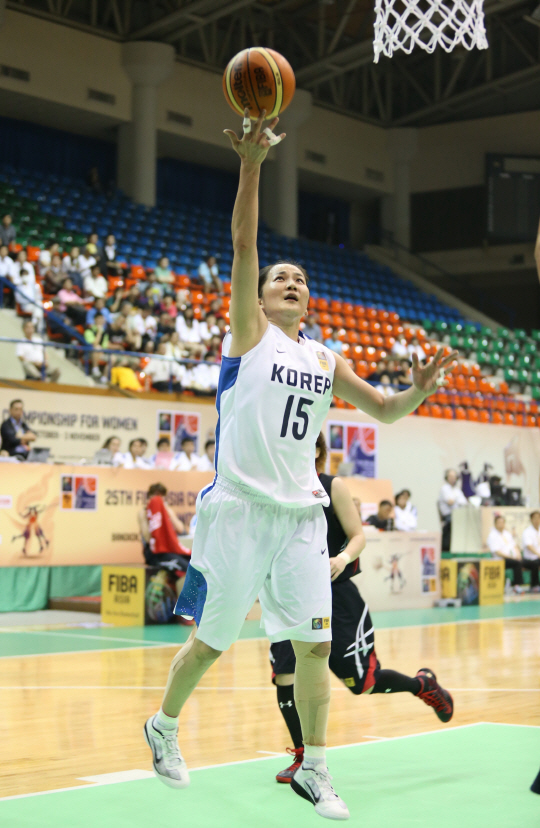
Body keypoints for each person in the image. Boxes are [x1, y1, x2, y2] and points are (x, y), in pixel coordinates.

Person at [142, 108, 457, 820]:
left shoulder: (323, 355)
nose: (289, 280)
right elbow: (244, 239)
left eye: (300, 278)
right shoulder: (248, 334)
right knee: (210, 646)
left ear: (309, 300)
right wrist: (252, 163)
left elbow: (382, 410)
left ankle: (316, 767)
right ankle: (163, 726)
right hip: (239, 511)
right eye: (279, 276)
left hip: (300, 520)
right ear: (256, 298)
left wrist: (419, 390)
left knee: (315, 650)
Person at [272, 433, 453, 784]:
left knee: (363, 683)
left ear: (317, 450)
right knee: (285, 674)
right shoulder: (276, 490)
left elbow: (359, 535)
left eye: (307, 441)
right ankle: (302, 756)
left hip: (336, 597)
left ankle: (422, 685)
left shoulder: (332, 486)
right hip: (290, 596)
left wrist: (342, 557)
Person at [137, 483, 192, 608]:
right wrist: (154, 517)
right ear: (149, 497)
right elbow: (147, 536)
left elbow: (181, 529)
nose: (158, 499)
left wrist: (166, 512)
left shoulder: (166, 510)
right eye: (155, 496)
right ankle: (183, 610)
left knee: (194, 564)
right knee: (185, 568)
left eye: (161, 497)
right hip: (155, 554)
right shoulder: (143, 513)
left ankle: (193, 606)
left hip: (170, 551)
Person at [486, 515, 526, 593]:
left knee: (523, 561)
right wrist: (511, 557)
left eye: (502, 522)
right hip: (499, 560)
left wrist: (518, 554)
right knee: (517, 563)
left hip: (511, 558)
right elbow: (497, 551)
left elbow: (514, 545)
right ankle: (517, 585)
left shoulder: (507, 534)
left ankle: (519, 584)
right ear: (495, 524)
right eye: (499, 522)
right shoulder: (492, 535)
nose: (501, 524)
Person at [438, 469, 468, 552]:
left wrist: (456, 500)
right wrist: (457, 500)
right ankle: (447, 548)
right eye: (450, 476)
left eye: (454, 476)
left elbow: (465, 502)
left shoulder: (457, 490)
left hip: (459, 514)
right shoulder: (444, 488)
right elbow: (450, 502)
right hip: (448, 515)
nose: (453, 478)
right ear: (446, 478)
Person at [521, 511, 540, 591]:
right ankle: (534, 586)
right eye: (535, 518)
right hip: (528, 559)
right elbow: (529, 546)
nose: (537, 520)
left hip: (538, 558)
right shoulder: (527, 532)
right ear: (531, 519)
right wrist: (538, 554)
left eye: (538, 518)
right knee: (535, 563)